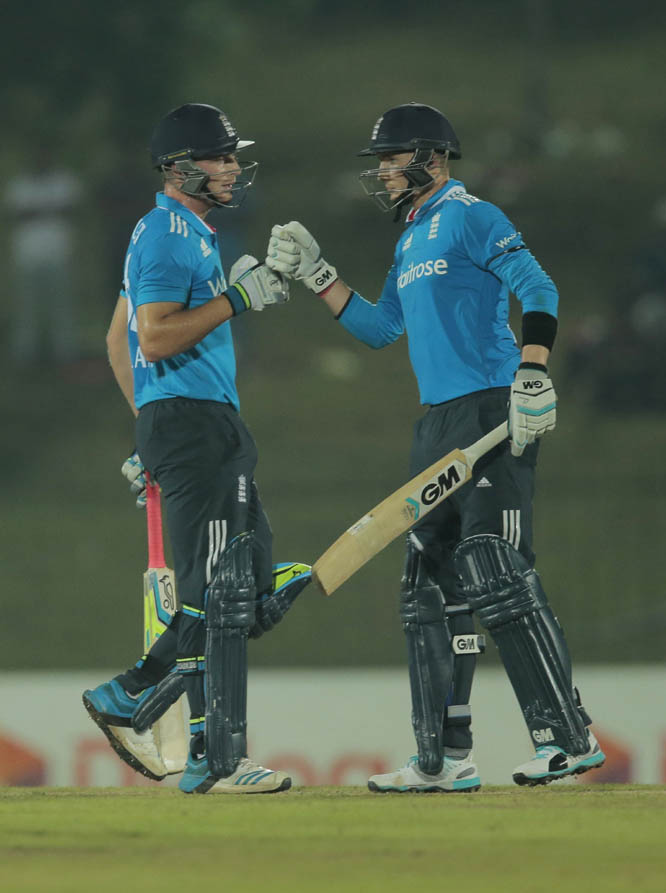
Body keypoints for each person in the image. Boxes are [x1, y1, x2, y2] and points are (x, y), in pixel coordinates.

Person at [266, 102, 606, 791]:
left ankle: (568, 736)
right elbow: (381, 328)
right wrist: (318, 273)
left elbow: (537, 287)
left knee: (494, 566)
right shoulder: (412, 236)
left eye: (392, 160)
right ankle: (442, 758)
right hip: (436, 424)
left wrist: (534, 368)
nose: (385, 174)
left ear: (430, 156)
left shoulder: (473, 214)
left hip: (491, 407)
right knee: (428, 585)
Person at [82, 103, 311, 794]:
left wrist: (142, 428)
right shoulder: (164, 232)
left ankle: (182, 725)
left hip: (196, 424)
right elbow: (149, 337)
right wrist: (237, 298)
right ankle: (179, 729)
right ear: (183, 166)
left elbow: (115, 339)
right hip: (191, 423)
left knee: (248, 588)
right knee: (217, 595)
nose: (234, 167)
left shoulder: (187, 232)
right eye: (221, 157)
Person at [5, 150, 83, 365]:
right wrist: (50, 208)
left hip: (59, 252)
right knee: (28, 305)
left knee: (62, 304)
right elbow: (16, 214)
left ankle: (66, 351)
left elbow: (72, 209)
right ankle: (25, 353)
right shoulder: (20, 184)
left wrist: (37, 209)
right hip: (28, 254)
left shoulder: (63, 180)